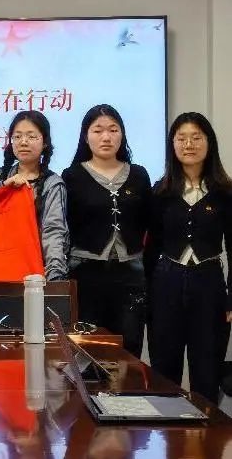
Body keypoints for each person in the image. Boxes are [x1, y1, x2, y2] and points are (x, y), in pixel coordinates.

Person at [145, 112, 232, 403]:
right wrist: (148, 293)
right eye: (181, 138)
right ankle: (167, 429)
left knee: (207, 369)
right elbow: (152, 246)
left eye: (196, 138)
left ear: (209, 143)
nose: (189, 144)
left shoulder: (224, 192)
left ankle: (207, 430)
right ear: (172, 144)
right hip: (166, 282)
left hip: (209, 284)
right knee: (164, 368)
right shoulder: (161, 191)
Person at [62, 104, 151, 358]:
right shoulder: (71, 176)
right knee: (88, 351)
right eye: (98, 130)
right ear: (85, 136)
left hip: (131, 275)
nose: (106, 137)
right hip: (85, 274)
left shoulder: (139, 175)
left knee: (128, 350)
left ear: (122, 135)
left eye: (113, 130)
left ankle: (127, 387)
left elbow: (149, 222)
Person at [0, 110, 69, 281]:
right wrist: (4, 187)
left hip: (34, 273)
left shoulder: (53, 183)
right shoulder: (1, 175)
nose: (23, 142)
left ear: (45, 142)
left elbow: (53, 232)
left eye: (31, 136)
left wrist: (54, 277)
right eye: (17, 136)